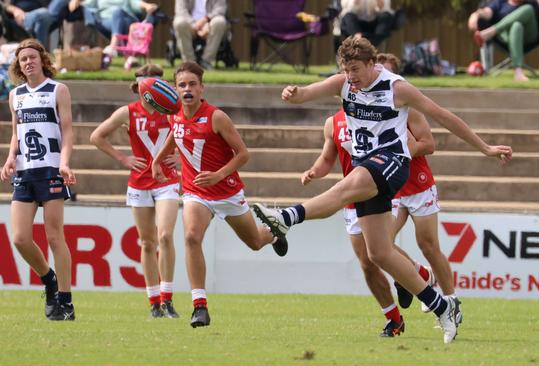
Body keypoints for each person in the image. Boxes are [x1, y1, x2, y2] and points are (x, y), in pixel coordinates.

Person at [253, 36, 512, 344]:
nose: (351, 76)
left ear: (372, 64)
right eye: (347, 69)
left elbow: (443, 116)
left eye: (356, 69)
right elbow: (305, 94)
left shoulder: (396, 88)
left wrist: (484, 148)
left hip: (392, 163)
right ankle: (442, 307)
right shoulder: (344, 84)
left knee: (344, 189)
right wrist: (291, 93)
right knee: (379, 253)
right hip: (367, 167)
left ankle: (285, 217)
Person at [151, 61, 287, 328]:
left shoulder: (216, 117)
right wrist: (158, 159)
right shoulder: (174, 113)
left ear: (202, 87)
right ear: (175, 89)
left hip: (227, 192)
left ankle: (274, 231)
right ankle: (199, 306)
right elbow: (175, 135)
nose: (187, 89)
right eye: (182, 85)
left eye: (192, 84)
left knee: (255, 243)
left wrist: (218, 175)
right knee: (191, 237)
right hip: (195, 191)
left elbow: (244, 154)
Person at [302, 107, 437, 337]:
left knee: (381, 249)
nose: (351, 83)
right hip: (351, 195)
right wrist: (314, 171)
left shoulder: (378, 112)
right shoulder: (332, 123)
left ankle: (422, 285)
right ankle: (396, 318)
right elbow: (327, 158)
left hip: (379, 190)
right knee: (367, 262)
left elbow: (418, 143)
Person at [89, 64, 181, 319]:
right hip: (139, 182)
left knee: (165, 236)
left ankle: (168, 298)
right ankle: (153, 301)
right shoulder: (128, 112)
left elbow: (194, 136)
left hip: (166, 179)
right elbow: (96, 137)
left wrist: (182, 160)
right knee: (148, 242)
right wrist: (123, 159)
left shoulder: (174, 111)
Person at [377, 54, 461, 317]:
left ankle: (451, 302)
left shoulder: (408, 107)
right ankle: (420, 274)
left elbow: (429, 145)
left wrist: (402, 148)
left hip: (417, 185)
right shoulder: (369, 106)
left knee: (428, 245)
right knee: (380, 245)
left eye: (388, 76)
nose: (383, 82)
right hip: (392, 185)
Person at [0, 38, 76, 321]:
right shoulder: (15, 95)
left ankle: (66, 301)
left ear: (42, 60)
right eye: (23, 59)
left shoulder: (58, 90)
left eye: (32, 57)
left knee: (55, 236)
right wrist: (10, 158)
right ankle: (49, 280)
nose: (28, 62)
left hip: (51, 170)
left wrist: (64, 163)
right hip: (24, 171)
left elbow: (67, 132)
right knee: (19, 238)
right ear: (18, 66)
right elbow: (15, 133)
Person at [468, 0, 539, 81]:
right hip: (506, 38)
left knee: (528, 9)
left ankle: (492, 31)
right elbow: (487, 13)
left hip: (529, 37)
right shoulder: (499, 3)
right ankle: (518, 72)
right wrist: (476, 14)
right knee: (516, 25)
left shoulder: (532, 3)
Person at [66, 0, 160, 69]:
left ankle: (113, 46)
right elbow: (81, 5)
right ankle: (125, 54)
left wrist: (147, 5)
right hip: (106, 22)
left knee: (118, 12)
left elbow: (135, 2)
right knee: (116, 14)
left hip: (127, 21)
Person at [173, 0, 227, 71]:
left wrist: (206, 20)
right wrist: (195, 25)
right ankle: (189, 63)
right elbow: (181, 11)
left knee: (220, 21)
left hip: (209, 25)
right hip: (189, 25)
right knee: (179, 22)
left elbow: (220, 10)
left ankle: (206, 61)